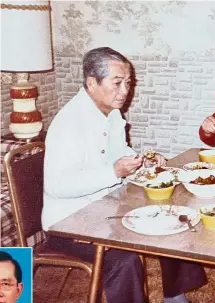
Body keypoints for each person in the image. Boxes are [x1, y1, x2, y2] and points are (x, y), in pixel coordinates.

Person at [43, 47, 206, 303]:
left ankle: (175, 297)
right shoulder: (69, 124)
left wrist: (141, 161)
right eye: (117, 83)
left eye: (128, 83)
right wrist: (113, 172)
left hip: (104, 209)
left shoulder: (110, 112)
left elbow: (119, 152)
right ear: (92, 83)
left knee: (170, 212)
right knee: (125, 260)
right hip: (69, 223)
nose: (125, 90)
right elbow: (58, 186)